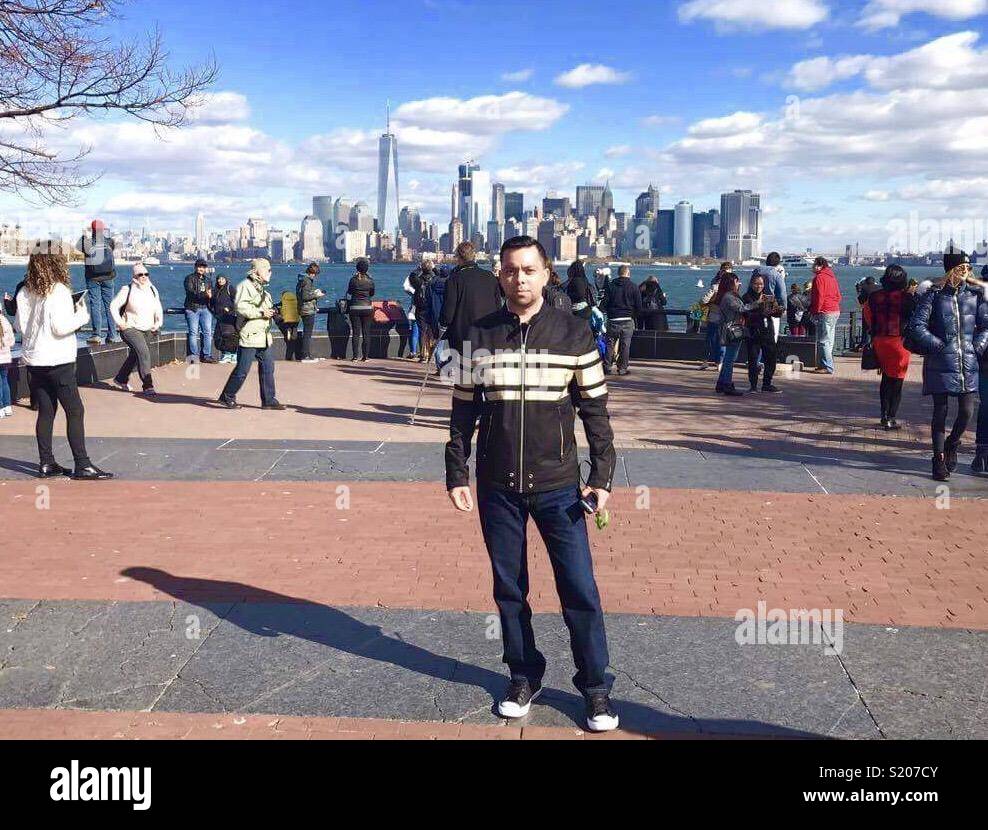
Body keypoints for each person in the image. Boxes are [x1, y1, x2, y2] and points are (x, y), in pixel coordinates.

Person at [445, 235, 619, 733]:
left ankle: (595, 687)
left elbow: (595, 412)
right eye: (509, 270)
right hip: (497, 483)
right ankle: (523, 674)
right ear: (499, 275)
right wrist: (456, 470)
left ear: (546, 274)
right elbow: (462, 411)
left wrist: (601, 476)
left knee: (579, 588)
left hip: (560, 485)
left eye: (528, 270)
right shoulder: (478, 336)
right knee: (509, 588)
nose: (518, 278)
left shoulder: (574, 333)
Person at [14, 249, 113, 479]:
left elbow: (19, 326)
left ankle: (46, 463)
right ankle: (82, 464)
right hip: (58, 360)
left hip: (34, 361)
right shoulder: (58, 290)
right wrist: (81, 314)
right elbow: (60, 327)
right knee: (75, 410)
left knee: (46, 411)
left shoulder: (25, 291)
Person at [905, 249, 988, 481]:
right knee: (940, 411)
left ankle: (953, 444)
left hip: (968, 362)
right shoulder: (933, 296)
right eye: (962, 268)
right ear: (951, 269)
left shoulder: (975, 296)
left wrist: (977, 347)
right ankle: (938, 459)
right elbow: (916, 327)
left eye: (968, 268)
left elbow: (985, 326)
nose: (966, 272)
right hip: (940, 362)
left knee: (966, 412)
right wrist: (939, 347)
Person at [218, 258, 284, 410]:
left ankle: (269, 400)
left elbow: (266, 308)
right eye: (267, 269)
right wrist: (261, 312)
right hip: (250, 336)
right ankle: (227, 396)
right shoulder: (244, 286)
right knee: (242, 370)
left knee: (268, 368)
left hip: (264, 337)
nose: (270, 272)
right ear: (257, 271)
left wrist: (274, 313)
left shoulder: (264, 291)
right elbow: (241, 307)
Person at [863, 265, 914, 431]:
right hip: (900, 342)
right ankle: (891, 417)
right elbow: (915, 320)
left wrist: (875, 330)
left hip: (880, 341)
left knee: (886, 378)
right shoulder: (907, 298)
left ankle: (884, 415)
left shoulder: (874, 296)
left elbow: (867, 314)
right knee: (897, 381)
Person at [440, 241, 502, 366]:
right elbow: (498, 306)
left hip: (462, 334)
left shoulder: (454, 279)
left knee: (465, 378)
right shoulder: (490, 277)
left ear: (458, 257)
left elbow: (448, 312)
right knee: (484, 373)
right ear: (474, 256)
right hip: (487, 333)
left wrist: (442, 323)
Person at [109, 263, 164, 396]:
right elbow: (113, 306)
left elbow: (158, 307)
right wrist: (120, 323)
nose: (144, 277)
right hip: (130, 328)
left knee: (136, 355)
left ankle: (120, 378)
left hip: (148, 329)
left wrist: (158, 323)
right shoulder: (126, 289)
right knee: (144, 353)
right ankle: (148, 385)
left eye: (146, 274)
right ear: (134, 276)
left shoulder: (152, 289)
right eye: (140, 274)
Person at [714, 272, 761, 396]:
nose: (739, 283)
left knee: (729, 357)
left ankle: (721, 383)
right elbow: (741, 308)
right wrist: (757, 303)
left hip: (730, 329)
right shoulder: (729, 297)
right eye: (736, 281)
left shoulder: (727, 295)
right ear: (731, 283)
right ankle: (727, 384)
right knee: (730, 359)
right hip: (732, 330)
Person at [77, 220, 119, 347]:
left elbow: (78, 245)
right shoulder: (110, 241)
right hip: (108, 277)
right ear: (104, 229)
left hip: (92, 278)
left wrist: (84, 234)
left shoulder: (88, 243)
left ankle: (96, 334)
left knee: (95, 305)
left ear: (92, 229)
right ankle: (112, 334)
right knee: (110, 305)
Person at [742, 273, 783, 393]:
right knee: (753, 359)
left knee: (770, 357)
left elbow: (775, 313)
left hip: (767, 331)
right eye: (756, 284)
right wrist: (760, 309)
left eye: (761, 284)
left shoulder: (769, 297)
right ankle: (753, 385)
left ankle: (767, 383)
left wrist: (778, 310)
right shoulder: (746, 297)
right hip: (753, 331)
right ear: (751, 284)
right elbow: (746, 313)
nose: (758, 286)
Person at [603, 264, 642, 376]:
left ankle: (607, 367)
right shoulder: (634, 287)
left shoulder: (610, 286)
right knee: (625, 345)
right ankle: (622, 368)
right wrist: (633, 315)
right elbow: (639, 306)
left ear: (618, 273)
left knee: (610, 344)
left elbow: (605, 303)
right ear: (628, 273)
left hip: (613, 319)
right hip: (627, 319)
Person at [809, 257, 841, 375]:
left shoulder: (819, 278)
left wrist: (816, 311)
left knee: (823, 340)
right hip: (835, 310)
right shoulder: (832, 278)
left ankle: (827, 366)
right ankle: (825, 364)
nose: (812, 267)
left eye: (814, 265)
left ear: (819, 266)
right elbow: (838, 296)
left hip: (824, 311)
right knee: (830, 340)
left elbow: (819, 297)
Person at [183, 259, 217, 364]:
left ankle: (207, 355)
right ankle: (194, 356)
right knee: (193, 332)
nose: (201, 269)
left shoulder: (208, 280)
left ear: (205, 268)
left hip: (205, 308)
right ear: (195, 267)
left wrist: (211, 297)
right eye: (199, 266)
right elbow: (191, 293)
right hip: (193, 308)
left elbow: (211, 294)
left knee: (207, 332)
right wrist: (205, 295)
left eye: (203, 267)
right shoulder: (189, 278)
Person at [699, 263, 731, 370]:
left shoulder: (715, 285)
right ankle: (719, 362)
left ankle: (705, 361)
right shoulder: (732, 288)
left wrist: (712, 301)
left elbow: (703, 301)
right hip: (724, 318)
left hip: (714, 316)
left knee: (710, 339)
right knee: (721, 341)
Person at [346, 258, 375, 362]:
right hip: (367, 307)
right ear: (367, 269)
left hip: (354, 307)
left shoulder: (353, 279)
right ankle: (366, 356)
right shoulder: (370, 280)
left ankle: (354, 357)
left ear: (357, 268)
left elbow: (349, 292)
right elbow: (372, 293)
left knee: (356, 333)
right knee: (366, 332)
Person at [754, 253, 788, 342]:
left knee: (756, 333)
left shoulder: (756, 271)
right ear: (777, 263)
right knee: (773, 334)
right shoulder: (776, 274)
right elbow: (782, 293)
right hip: (771, 305)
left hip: (755, 303)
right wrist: (784, 307)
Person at [296, 263, 325, 362]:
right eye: (315, 274)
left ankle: (306, 354)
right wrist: (317, 295)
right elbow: (305, 296)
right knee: (307, 334)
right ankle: (305, 355)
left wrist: (313, 293)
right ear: (312, 273)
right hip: (308, 310)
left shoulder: (301, 280)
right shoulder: (307, 281)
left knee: (306, 333)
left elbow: (303, 294)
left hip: (303, 309)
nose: (315, 276)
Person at [409, 258, 435, 361]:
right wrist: (434, 268)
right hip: (432, 308)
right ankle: (431, 355)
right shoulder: (435, 280)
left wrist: (418, 268)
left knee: (422, 331)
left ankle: (423, 354)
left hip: (420, 308)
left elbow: (412, 276)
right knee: (431, 332)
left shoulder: (418, 281)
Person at [211, 275, 238, 364]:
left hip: (229, 317)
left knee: (230, 336)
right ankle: (226, 355)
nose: (220, 280)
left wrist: (230, 309)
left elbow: (237, 300)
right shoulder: (215, 290)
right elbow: (212, 304)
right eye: (218, 279)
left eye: (222, 278)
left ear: (226, 280)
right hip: (220, 317)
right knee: (220, 336)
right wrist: (209, 297)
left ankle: (232, 355)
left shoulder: (230, 288)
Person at [277, 285, 302, 362]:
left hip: (287, 320)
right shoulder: (295, 299)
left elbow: (281, 308)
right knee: (294, 333)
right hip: (296, 319)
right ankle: (293, 338)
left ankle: (289, 355)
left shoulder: (284, 301)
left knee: (288, 336)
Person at [0, 308, 13, 418]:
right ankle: (7, 406)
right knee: (4, 381)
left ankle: (0, 407)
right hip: (5, 357)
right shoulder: (6, 321)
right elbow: (12, 341)